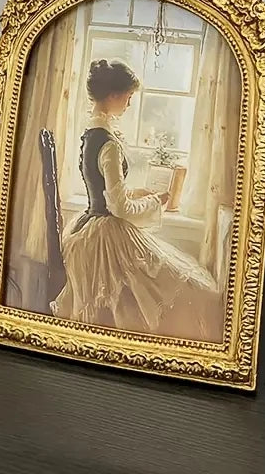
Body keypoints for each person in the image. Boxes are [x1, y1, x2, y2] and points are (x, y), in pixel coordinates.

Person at [52, 59, 222, 342]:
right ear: (114, 95)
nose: (129, 104)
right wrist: (155, 202)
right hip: (104, 238)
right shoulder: (108, 143)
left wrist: (137, 192)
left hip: (90, 225)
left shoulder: (91, 133)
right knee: (193, 290)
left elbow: (105, 191)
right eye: (128, 97)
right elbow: (120, 208)